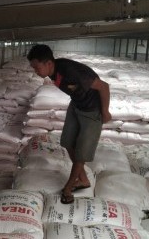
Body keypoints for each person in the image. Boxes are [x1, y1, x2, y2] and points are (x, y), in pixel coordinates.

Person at [27, 44, 111, 204]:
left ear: (48, 63)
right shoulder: (52, 73)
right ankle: (83, 179)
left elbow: (104, 86)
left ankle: (69, 187)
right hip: (77, 105)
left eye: (36, 67)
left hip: (92, 110)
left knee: (82, 151)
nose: (35, 72)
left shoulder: (71, 71)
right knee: (67, 141)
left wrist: (105, 112)